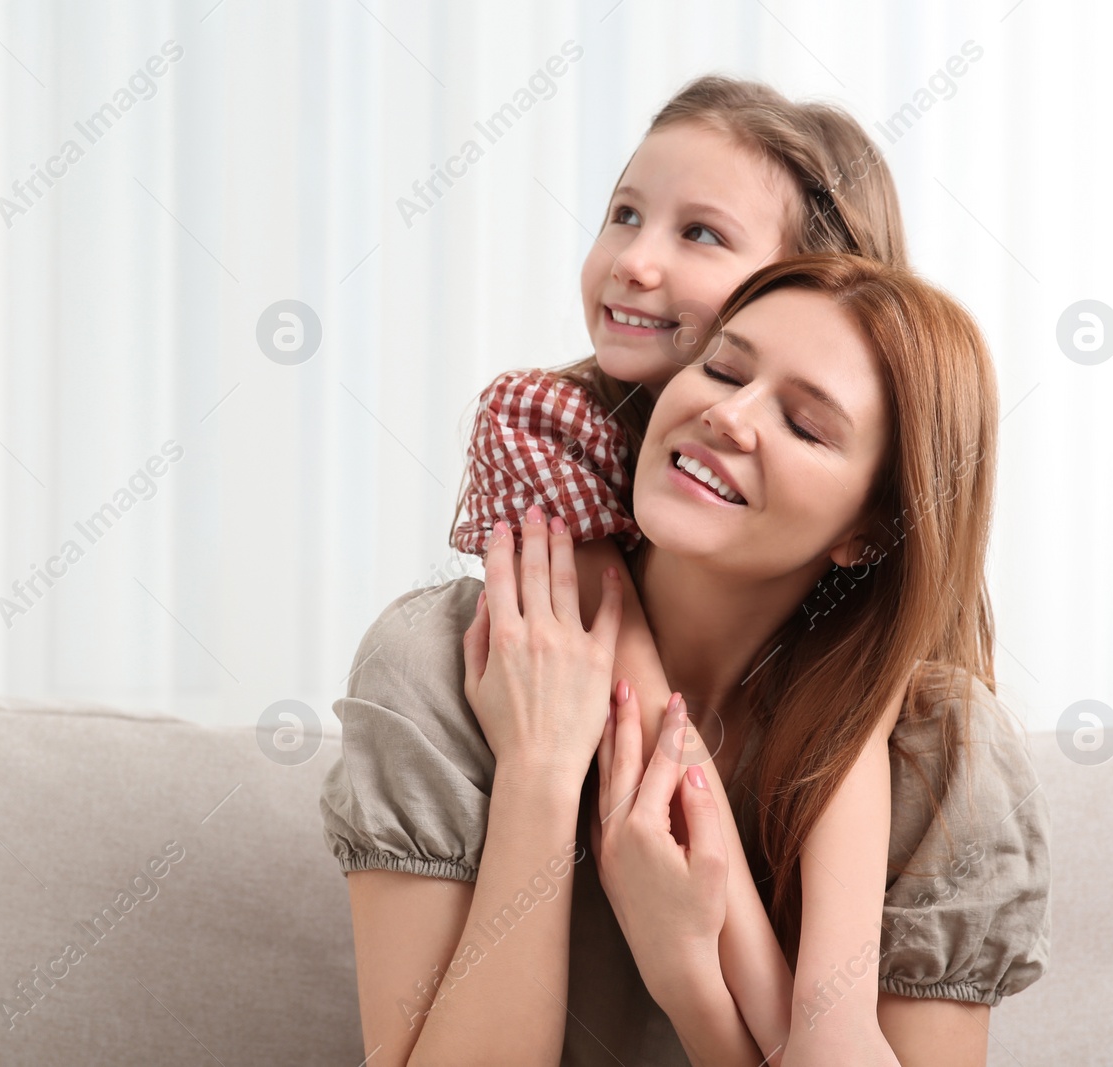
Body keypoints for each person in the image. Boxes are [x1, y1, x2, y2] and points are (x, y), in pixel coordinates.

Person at [323, 254, 1050, 1065]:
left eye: (805, 426)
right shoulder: (443, 664)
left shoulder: (942, 760)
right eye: (722, 367)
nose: (730, 417)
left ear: (867, 533)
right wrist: (540, 775)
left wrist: (691, 983)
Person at [447, 74, 923, 1055]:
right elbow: (646, 718)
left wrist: (778, 1010)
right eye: (624, 213)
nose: (634, 261)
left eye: (698, 233)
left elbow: (862, 703)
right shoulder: (544, 423)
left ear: (814, 282)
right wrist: (747, 976)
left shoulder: (862, 597)